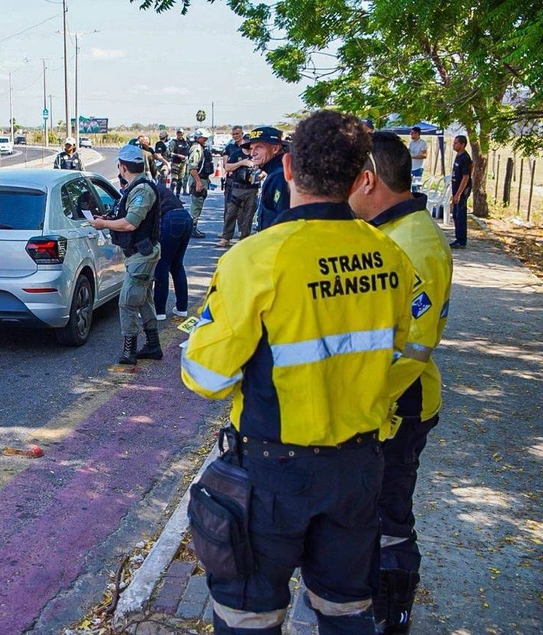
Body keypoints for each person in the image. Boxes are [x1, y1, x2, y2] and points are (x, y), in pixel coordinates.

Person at [182, 110, 416, 635]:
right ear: (360, 178)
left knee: (249, 617)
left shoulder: (257, 258)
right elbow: (395, 349)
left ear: (287, 168)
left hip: (273, 473)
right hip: (358, 469)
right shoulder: (391, 255)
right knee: (346, 612)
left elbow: (206, 377)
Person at [349, 131, 453, 634]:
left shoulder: (412, 244)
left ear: (368, 179)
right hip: (381, 404)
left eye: (345, 178)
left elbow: (411, 350)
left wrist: (358, 404)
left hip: (398, 407)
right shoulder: (390, 232)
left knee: (389, 520)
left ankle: (392, 617)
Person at [91, 145, 162, 365]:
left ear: (123, 167)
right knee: (144, 300)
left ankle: (129, 352)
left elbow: (131, 223)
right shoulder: (135, 188)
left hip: (142, 255)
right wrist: (108, 219)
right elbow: (125, 216)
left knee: (128, 301)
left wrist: (103, 224)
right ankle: (153, 345)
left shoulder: (142, 190)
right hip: (137, 254)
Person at [152, 186, 192, 321]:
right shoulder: (157, 186)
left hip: (170, 219)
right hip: (186, 217)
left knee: (162, 266)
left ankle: (159, 310)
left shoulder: (142, 188)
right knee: (177, 265)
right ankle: (182, 308)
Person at [243, 126, 288, 232]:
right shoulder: (274, 173)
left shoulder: (280, 176)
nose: (252, 153)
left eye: (259, 147)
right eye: (251, 148)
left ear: (275, 149)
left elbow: (284, 221)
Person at [218, 127, 258, 247]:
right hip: (237, 188)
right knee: (231, 213)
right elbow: (227, 167)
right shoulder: (236, 153)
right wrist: (241, 163)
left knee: (248, 215)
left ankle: (244, 238)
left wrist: (260, 173)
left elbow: (265, 168)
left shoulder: (256, 155)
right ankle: (226, 237)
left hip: (252, 189)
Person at [187, 128, 214, 239]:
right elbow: (192, 168)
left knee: (198, 204)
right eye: (204, 137)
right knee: (196, 205)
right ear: (198, 138)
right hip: (198, 179)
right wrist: (198, 182)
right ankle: (192, 228)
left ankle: (193, 227)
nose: (206, 139)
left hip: (201, 179)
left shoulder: (200, 147)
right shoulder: (197, 149)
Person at [449, 135, 472, 249]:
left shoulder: (465, 158)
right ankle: (458, 238)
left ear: (462, 145)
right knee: (455, 215)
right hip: (455, 188)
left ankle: (461, 241)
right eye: (453, 143)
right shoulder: (458, 156)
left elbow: (465, 177)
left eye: (456, 143)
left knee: (460, 215)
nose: (454, 145)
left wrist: (458, 194)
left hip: (462, 190)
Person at [168, 128, 191, 197]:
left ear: (183, 134)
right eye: (178, 133)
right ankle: (171, 195)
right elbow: (170, 153)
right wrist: (178, 155)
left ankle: (178, 195)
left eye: (180, 133)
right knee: (174, 180)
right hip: (175, 163)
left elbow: (188, 151)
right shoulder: (174, 142)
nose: (179, 134)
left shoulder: (185, 142)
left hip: (183, 163)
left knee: (180, 180)